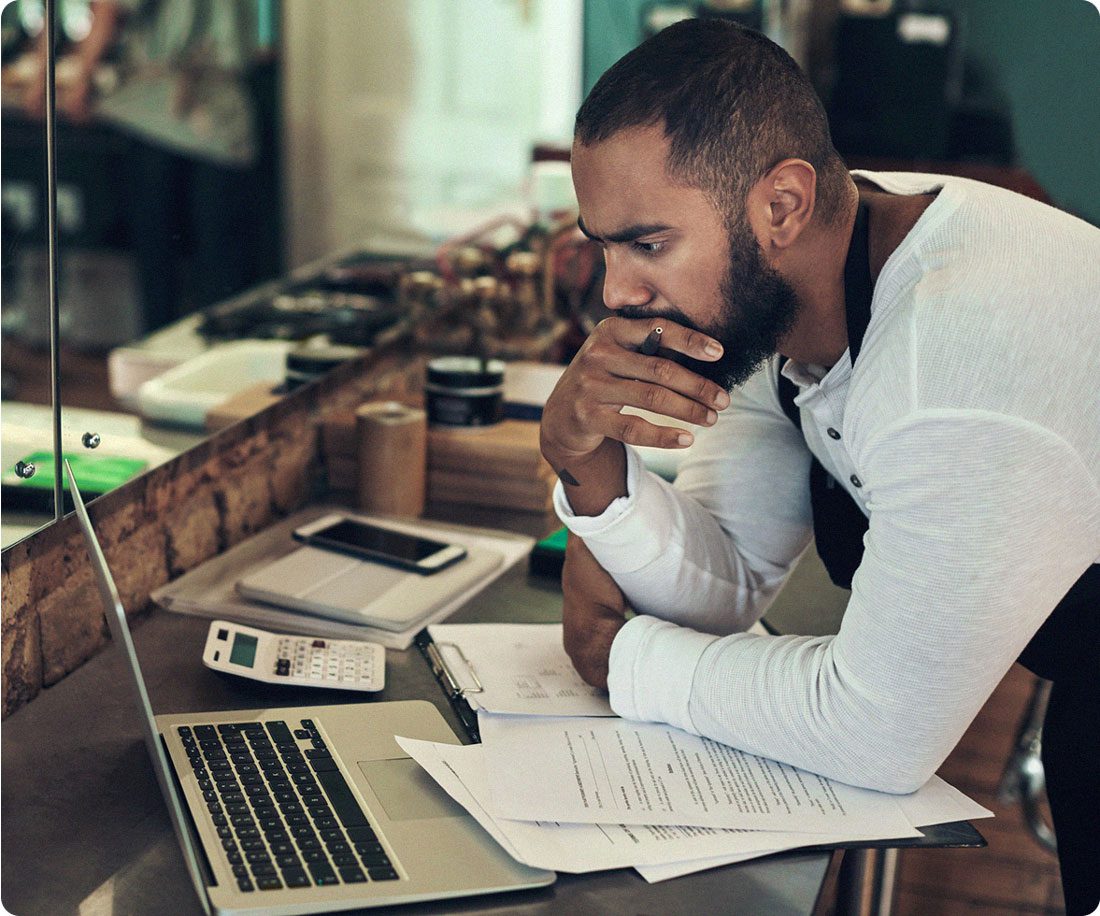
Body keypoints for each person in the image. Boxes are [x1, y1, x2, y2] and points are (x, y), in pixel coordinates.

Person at [538, 19, 1099, 916]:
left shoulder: (949, 363)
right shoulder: (794, 293)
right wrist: (584, 461)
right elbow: (727, 583)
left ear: (783, 205)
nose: (616, 293)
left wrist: (622, 656)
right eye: (605, 246)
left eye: (647, 245)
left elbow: (878, 732)